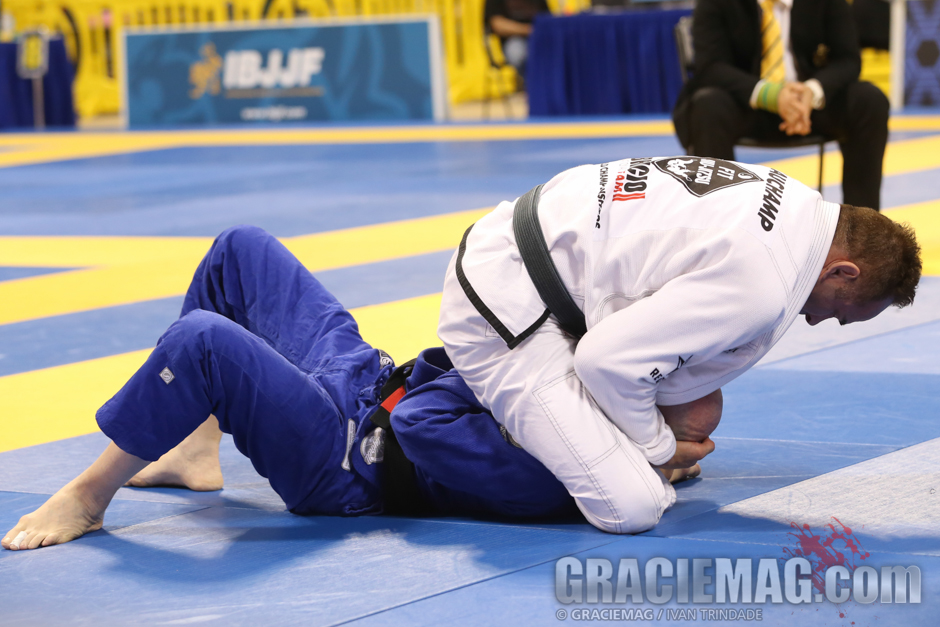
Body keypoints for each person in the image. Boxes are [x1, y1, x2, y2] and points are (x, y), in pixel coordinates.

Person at [2, 225, 717, 551]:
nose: (637, 375)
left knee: (204, 343)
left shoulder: (563, 473)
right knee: (240, 251)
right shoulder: (595, 403)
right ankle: (193, 450)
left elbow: (423, 425)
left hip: (348, 458)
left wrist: (519, 359)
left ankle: (89, 497)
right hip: (371, 379)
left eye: (655, 390)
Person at [438, 155, 921, 534]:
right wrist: (660, 449)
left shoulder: (794, 199)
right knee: (632, 504)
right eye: (838, 312)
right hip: (507, 305)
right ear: (843, 271)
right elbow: (605, 362)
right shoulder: (764, 285)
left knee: (688, 411)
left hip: (545, 261)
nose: (816, 320)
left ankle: (554, 419)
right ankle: (426, 428)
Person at [671, 0, 890, 210]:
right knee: (707, 106)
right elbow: (710, 66)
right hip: (746, 104)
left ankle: (864, 227)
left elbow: (848, 60)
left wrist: (812, 91)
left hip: (809, 107)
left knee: (870, 100)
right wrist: (771, 95)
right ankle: (723, 222)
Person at [484, 0, 550, 75]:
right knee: (517, 53)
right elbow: (497, 25)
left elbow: (548, 17)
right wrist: (530, 30)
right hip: (512, 39)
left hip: (541, 38)